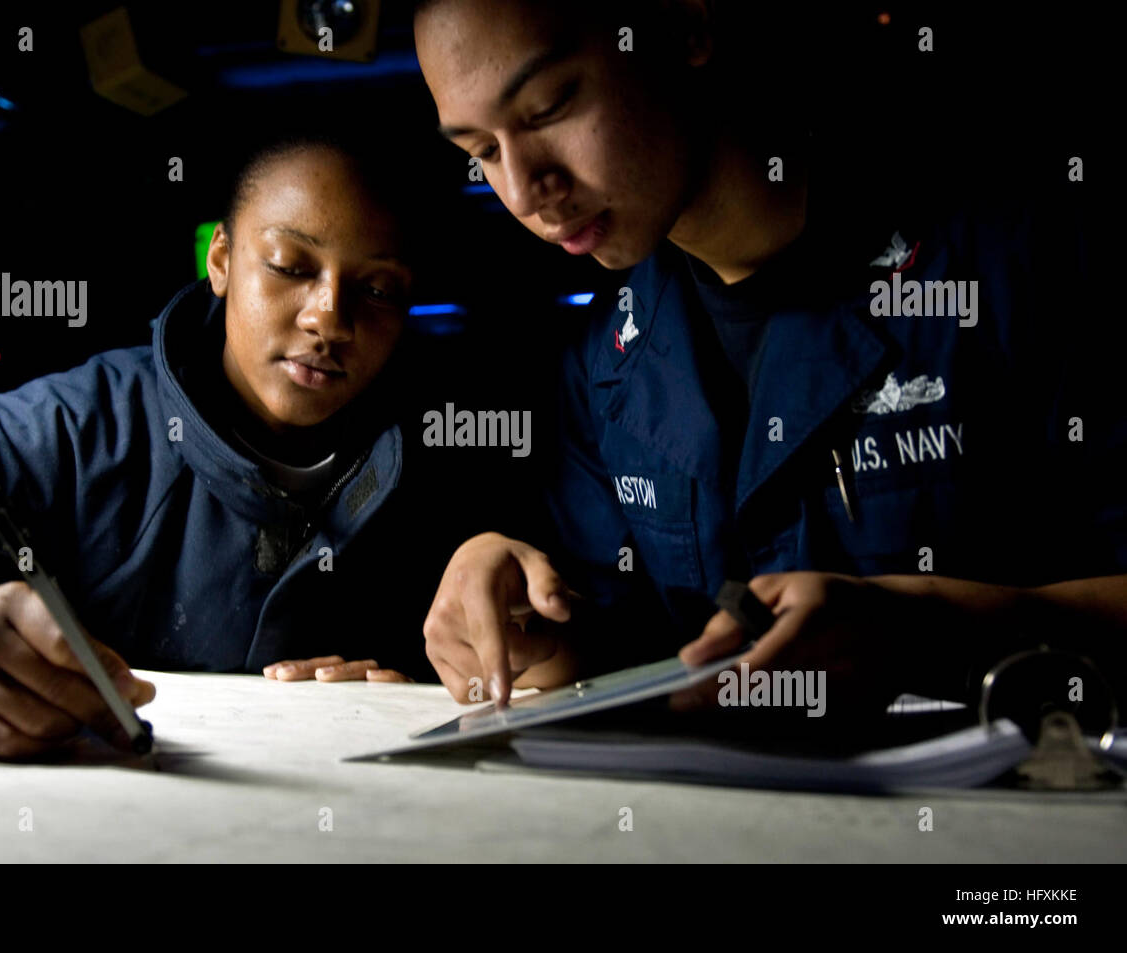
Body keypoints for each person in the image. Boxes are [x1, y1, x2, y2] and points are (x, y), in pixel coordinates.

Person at [412, 0, 1125, 715]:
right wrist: (519, 620)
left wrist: (927, 624)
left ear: (688, 29)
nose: (524, 189)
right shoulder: (608, 361)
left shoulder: (1025, 263)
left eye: (548, 106)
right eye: (481, 150)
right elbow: (619, 639)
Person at [0, 132, 445, 758]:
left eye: (377, 290)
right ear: (222, 260)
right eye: (290, 265)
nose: (329, 319)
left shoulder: (443, 464)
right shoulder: (77, 425)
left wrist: (412, 690)